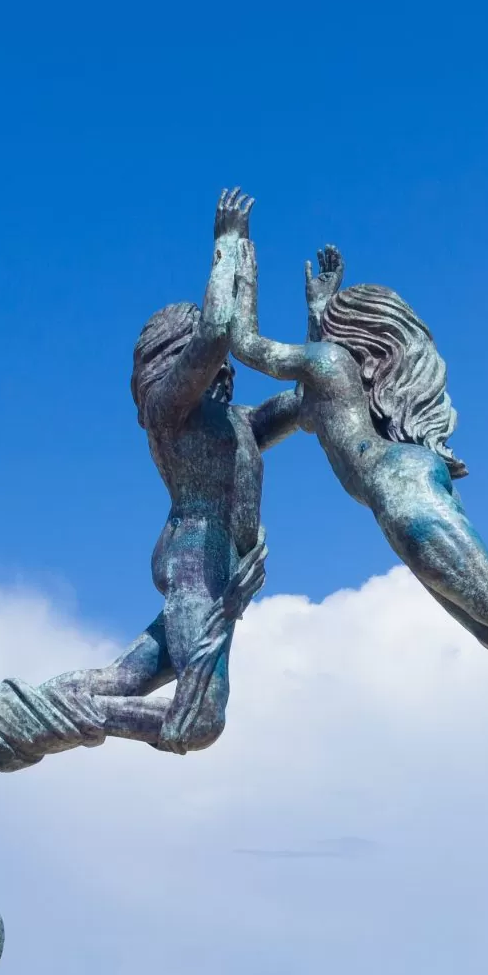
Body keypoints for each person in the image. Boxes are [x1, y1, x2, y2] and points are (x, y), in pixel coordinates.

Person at [222, 204, 488, 662]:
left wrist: (234, 247)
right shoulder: (335, 381)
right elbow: (306, 397)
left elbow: (245, 344)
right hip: (406, 477)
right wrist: (317, 310)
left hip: (395, 483)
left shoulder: (330, 364)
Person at [45, 190, 302, 753]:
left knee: (123, 679)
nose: (221, 365)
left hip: (218, 567)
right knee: (200, 718)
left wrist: (322, 332)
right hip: (194, 563)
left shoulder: (234, 423)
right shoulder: (170, 412)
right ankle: (66, 716)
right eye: (203, 357)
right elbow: (218, 331)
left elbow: (301, 402)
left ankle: (42, 704)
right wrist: (228, 244)